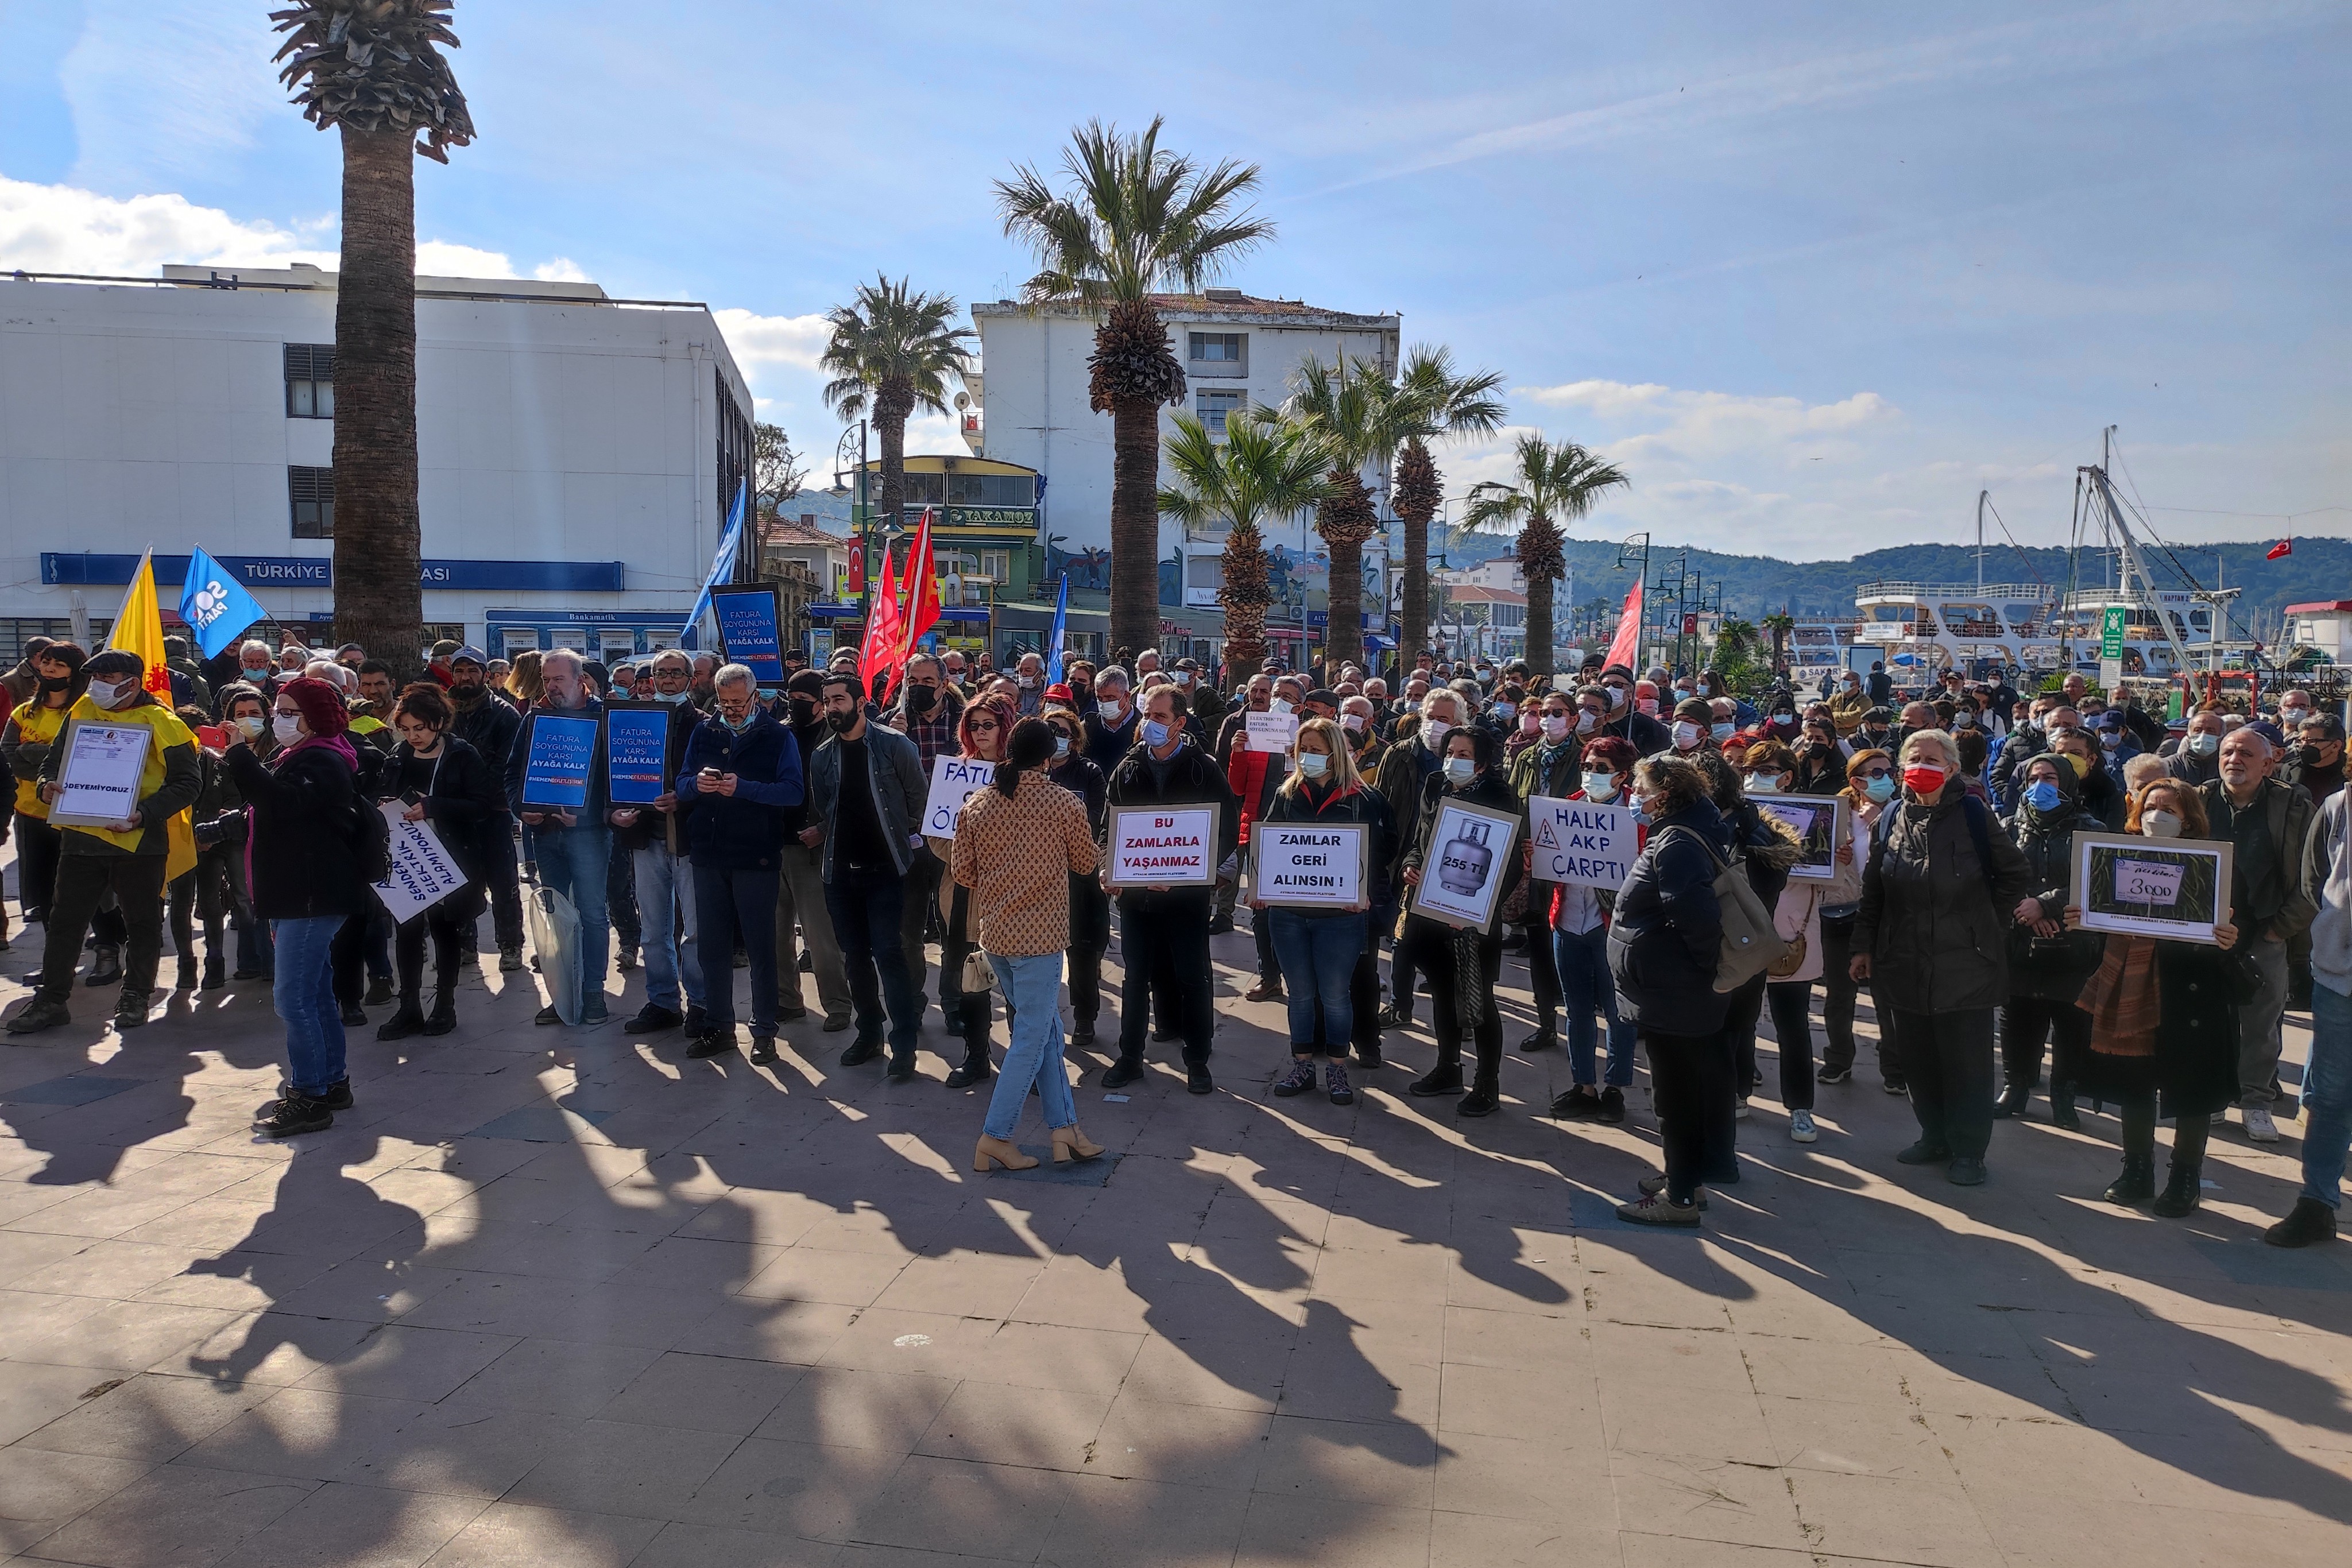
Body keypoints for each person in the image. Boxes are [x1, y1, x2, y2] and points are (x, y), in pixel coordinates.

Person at [1851, 729, 2040, 1185]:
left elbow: (2015, 873)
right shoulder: (1894, 814)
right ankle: (1933, 1134)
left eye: (1932, 759)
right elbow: (1875, 887)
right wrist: (1864, 945)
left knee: (1966, 1062)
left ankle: (1969, 1150)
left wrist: (1986, 923)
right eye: (1914, 757)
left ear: (1952, 768)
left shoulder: (1974, 813)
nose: (1922, 765)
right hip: (1904, 958)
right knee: (1918, 1057)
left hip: (1966, 962)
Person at [2063, 779, 2241, 1215]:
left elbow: (2242, 921)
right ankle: (2137, 1169)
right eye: (2150, 806)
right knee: (2133, 1083)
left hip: (2192, 989)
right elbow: (2100, 911)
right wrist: (2080, 916)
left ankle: (2185, 1177)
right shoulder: (2114, 856)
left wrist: (2230, 934)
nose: (2156, 815)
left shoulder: (2216, 862)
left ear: (2189, 818)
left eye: (2169, 809)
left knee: (2192, 1089)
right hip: (2130, 985)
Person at [7, 652, 202, 1035]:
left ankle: (135, 995)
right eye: (95, 676)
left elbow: (188, 783)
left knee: (142, 922)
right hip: (81, 835)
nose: (98, 684)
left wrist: (145, 813)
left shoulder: (165, 722)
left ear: (133, 681)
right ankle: (51, 999)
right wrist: (47, 785)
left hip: (139, 839)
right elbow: (54, 760)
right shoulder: (82, 709)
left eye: (107, 676)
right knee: (65, 921)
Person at [952, 717, 1105, 1172]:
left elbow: (963, 873)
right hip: (1039, 938)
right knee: (1032, 1037)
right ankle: (995, 1136)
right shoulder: (1062, 802)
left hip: (997, 934)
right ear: (1047, 758)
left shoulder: (978, 803)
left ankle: (1065, 1129)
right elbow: (1084, 862)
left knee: (1047, 1035)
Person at [225, 677, 369, 1135]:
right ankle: (330, 1082)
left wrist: (240, 757)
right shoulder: (301, 755)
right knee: (316, 991)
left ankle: (308, 1095)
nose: (277, 718)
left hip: (311, 896)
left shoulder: (323, 759)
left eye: (290, 711)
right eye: (278, 710)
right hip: (300, 892)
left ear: (316, 717)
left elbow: (281, 803)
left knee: (293, 999)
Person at [1610, 756, 1734, 1224]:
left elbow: (1694, 916)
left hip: (1676, 990)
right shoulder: (1685, 830)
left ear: (1664, 793)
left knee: (1675, 1095)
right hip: (1674, 987)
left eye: (1641, 787)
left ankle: (1679, 1198)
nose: (1636, 796)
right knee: (1682, 1090)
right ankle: (1686, 1177)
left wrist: (1700, 970)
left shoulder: (1677, 842)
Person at [1101, 682, 1240, 1093]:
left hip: (1187, 898)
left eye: (1160, 717)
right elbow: (1110, 826)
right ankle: (1130, 1057)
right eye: (1146, 714)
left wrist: (1195, 870)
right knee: (1135, 978)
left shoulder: (1204, 768)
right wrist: (1108, 868)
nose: (1150, 723)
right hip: (1136, 897)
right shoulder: (1127, 767)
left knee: (1192, 976)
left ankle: (1197, 1059)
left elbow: (1227, 828)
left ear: (1180, 723)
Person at [802, 671, 930, 1078]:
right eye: (827, 700)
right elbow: (826, 809)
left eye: (838, 699)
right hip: (841, 872)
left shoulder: (894, 746)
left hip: (888, 870)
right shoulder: (823, 756)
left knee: (890, 953)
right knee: (854, 957)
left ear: (859, 702)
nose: (830, 707)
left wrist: (900, 834)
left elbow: (919, 800)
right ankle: (869, 1032)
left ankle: (904, 1043)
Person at [675, 663, 805, 1063]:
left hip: (756, 854)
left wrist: (744, 788)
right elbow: (681, 785)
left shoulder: (778, 735)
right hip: (709, 854)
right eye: (724, 702)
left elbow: (793, 792)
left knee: (760, 945)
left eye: (737, 702)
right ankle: (719, 1026)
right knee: (712, 947)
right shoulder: (704, 731)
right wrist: (697, 784)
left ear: (755, 697)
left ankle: (764, 1028)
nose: (730, 710)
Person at [1259, 718, 1387, 1106]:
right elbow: (1269, 843)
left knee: (1335, 995)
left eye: (1315, 749)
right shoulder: (1286, 794)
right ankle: (1301, 1065)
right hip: (1289, 914)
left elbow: (1383, 851)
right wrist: (1261, 885)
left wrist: (1364, 892)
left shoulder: (1365, 798)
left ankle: (1336, 1067)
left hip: (1341, 917)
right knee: (1300, 994)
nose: (1307, 757)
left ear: (1335, 752)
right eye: (1302, 749)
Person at [1399, 725, 1524, 1117]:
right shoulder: (1437, 784)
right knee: (1439, 990)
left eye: (1465, 753)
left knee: (1478, 999)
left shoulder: (1500, 797)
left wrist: (1476, 910)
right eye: (1450, 750)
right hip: (1429, 909)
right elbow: (1419, 839)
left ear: (1484, 762)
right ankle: (1448, 1067)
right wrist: (1412, 864)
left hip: (1471, 917)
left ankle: (1488, 1082)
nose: (1454, 758)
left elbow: (1510, 863)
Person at [2199, 727, 2315, 1141]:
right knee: (2209, 1018)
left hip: (2267, 927)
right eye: (2228, 751)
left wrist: (2281, 929)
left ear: (2268, 764)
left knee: (2261, 1023)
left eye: (2246, 753)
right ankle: (2212, 1095)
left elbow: (2311, 874)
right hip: (2207, 931)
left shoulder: (2294, 804)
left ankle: (2255, 1101)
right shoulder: (2199, 797)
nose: (2234, 759)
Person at [372, 683, 501, 1039]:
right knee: (407, 932)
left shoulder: (462, 755)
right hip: (408, 859)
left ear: (440, 723)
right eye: (407, 729)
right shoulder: (398, 754)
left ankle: (445, 1005)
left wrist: (434, 806)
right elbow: (384, 792)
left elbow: (482, 805)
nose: (413, 736)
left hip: (450, 859)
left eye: (421, 728)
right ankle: (409, 1006)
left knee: (445, 931)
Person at [1995, 752, 2107, 1125]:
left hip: (2075, 945)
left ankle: (2064, 1094)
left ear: (2068, 784)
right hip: (2020, 941)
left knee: (2072, 1023)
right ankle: (2016, 1086)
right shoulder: (2008, 826)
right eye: (2033, 778)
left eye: (2051, 778)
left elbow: (2098, 881)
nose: (2040, 785)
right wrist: (2024, 909)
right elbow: (1995, 876)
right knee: (2019, 1018)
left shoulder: (2093, 829)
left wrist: (2047, 905)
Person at [507, 650, 613, 1026]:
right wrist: (521, 809)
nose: (551, 687)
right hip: (545, 836)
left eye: (559, 679)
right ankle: (563, 993)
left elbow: (616, 780)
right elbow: (512, 773)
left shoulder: (604, 717)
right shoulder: (535, 718)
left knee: (592, 913)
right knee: (555, 915)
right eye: (546, 680)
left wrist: (592, 812)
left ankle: (594, 993)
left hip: (589, 835)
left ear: (579, 679)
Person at [2269, 780, 2352, 1245]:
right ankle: (2318, 1202)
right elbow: (2313, 881)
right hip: (2341, 978)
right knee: (2330, 1096)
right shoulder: (2338, 807)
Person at [613, 650, 706, 1036]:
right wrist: (613, 815)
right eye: (660, 673)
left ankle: (701, 1003)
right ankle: (662, 1001)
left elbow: (713, 779)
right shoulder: (631, 720)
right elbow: (614, 775)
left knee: (696, 930)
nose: (667, 680)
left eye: (675, 673)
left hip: (687, 838)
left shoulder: (705, 724)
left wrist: (682, 798)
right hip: (645, 836)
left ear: (691, 679)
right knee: (653, 928)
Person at [1548, 736, 1639, 1123]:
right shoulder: (1567, 808)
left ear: (1622, 774)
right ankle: (1583, 1085)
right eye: (1588, 765)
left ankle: (1615, 1087)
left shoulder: (1640, 815)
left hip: (1613, 927)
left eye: (1602, 768)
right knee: (1577, 1008)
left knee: (1619, 1012)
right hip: (1568, 920)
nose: (1592, 774)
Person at [933, 695, 1015, 1086]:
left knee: (1017, 985)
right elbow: (936, 832)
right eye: (974, 725)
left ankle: (1023, 1063)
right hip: (964, 893)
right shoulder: (955, 772)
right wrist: (969, 859)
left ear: (1005, 727)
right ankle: (977, 1056)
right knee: (971, 980)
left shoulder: (1023, 775)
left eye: (988, 725)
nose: (980, 733)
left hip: (1013, 896)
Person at [889, 653, 967, 1020]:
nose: (919, 689)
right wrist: (893, 737)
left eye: (927, 682)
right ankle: (912, 1005)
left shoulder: (966, 723)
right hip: (909, 837)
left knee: (955, 927)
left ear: (944, 684)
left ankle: (953, 1002)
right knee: (908, 930)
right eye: (913, 682)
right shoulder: (893, 725)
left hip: (955, 841)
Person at [774, 671, 853, 1031]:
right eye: (791, 696)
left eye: (803, 698)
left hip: (814, 850)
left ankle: (837, 1004)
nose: (795, 703)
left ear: (821, 704)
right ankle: (786, 1001)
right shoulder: (777, 732)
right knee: (776, 935)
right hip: (774, 845)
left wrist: (823, 829)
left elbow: (850, 794)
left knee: (821, 937)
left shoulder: (838, 739)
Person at [1506, 688, 1581, 1051]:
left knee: (1572, 950)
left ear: (1573, 718)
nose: (1548, 718)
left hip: (1575, 871)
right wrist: (1522, 842)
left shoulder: (1587, 759)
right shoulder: (1527, 758)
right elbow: (1514, 804)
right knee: (1539, 948)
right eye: (1543, 712)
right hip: (1534, 867)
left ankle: (1581, 1021)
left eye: (1557, 712)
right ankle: (1546, 1023)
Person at [444, 648, 524, 971]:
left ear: (485, 675)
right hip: (453, 813)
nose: (466, 677)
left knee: (503, 882)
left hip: (493, 812)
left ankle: (510, 945)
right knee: (459, 882)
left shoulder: (505, 715)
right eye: (460, 671)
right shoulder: (443, 712)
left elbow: (506, 766)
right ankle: (465, 945)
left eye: (473, 671)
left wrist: (477, 799)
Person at [3, 640, 87, 931]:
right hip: (29, 811)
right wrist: (47, 761)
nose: (50, 669)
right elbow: (9, 755)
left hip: (73, 814)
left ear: (74, 672)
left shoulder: (85, 712)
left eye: (59, 665)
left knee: (74, 888)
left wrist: (32, 751)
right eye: (47, 662)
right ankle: (54, 950)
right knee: (41, 887)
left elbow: (79, 759)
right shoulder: (24, 712)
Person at [1042, 707, 1111, 1047]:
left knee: (1083, 954)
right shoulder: (1028, 773)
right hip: (1039, 879)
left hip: (1079, 876)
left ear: (1075, 740)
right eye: (1050, 729)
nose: (1056, 736)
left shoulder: (1090, 773)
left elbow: (1095, 820)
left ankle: (1085, 1016)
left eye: (1064, 732)